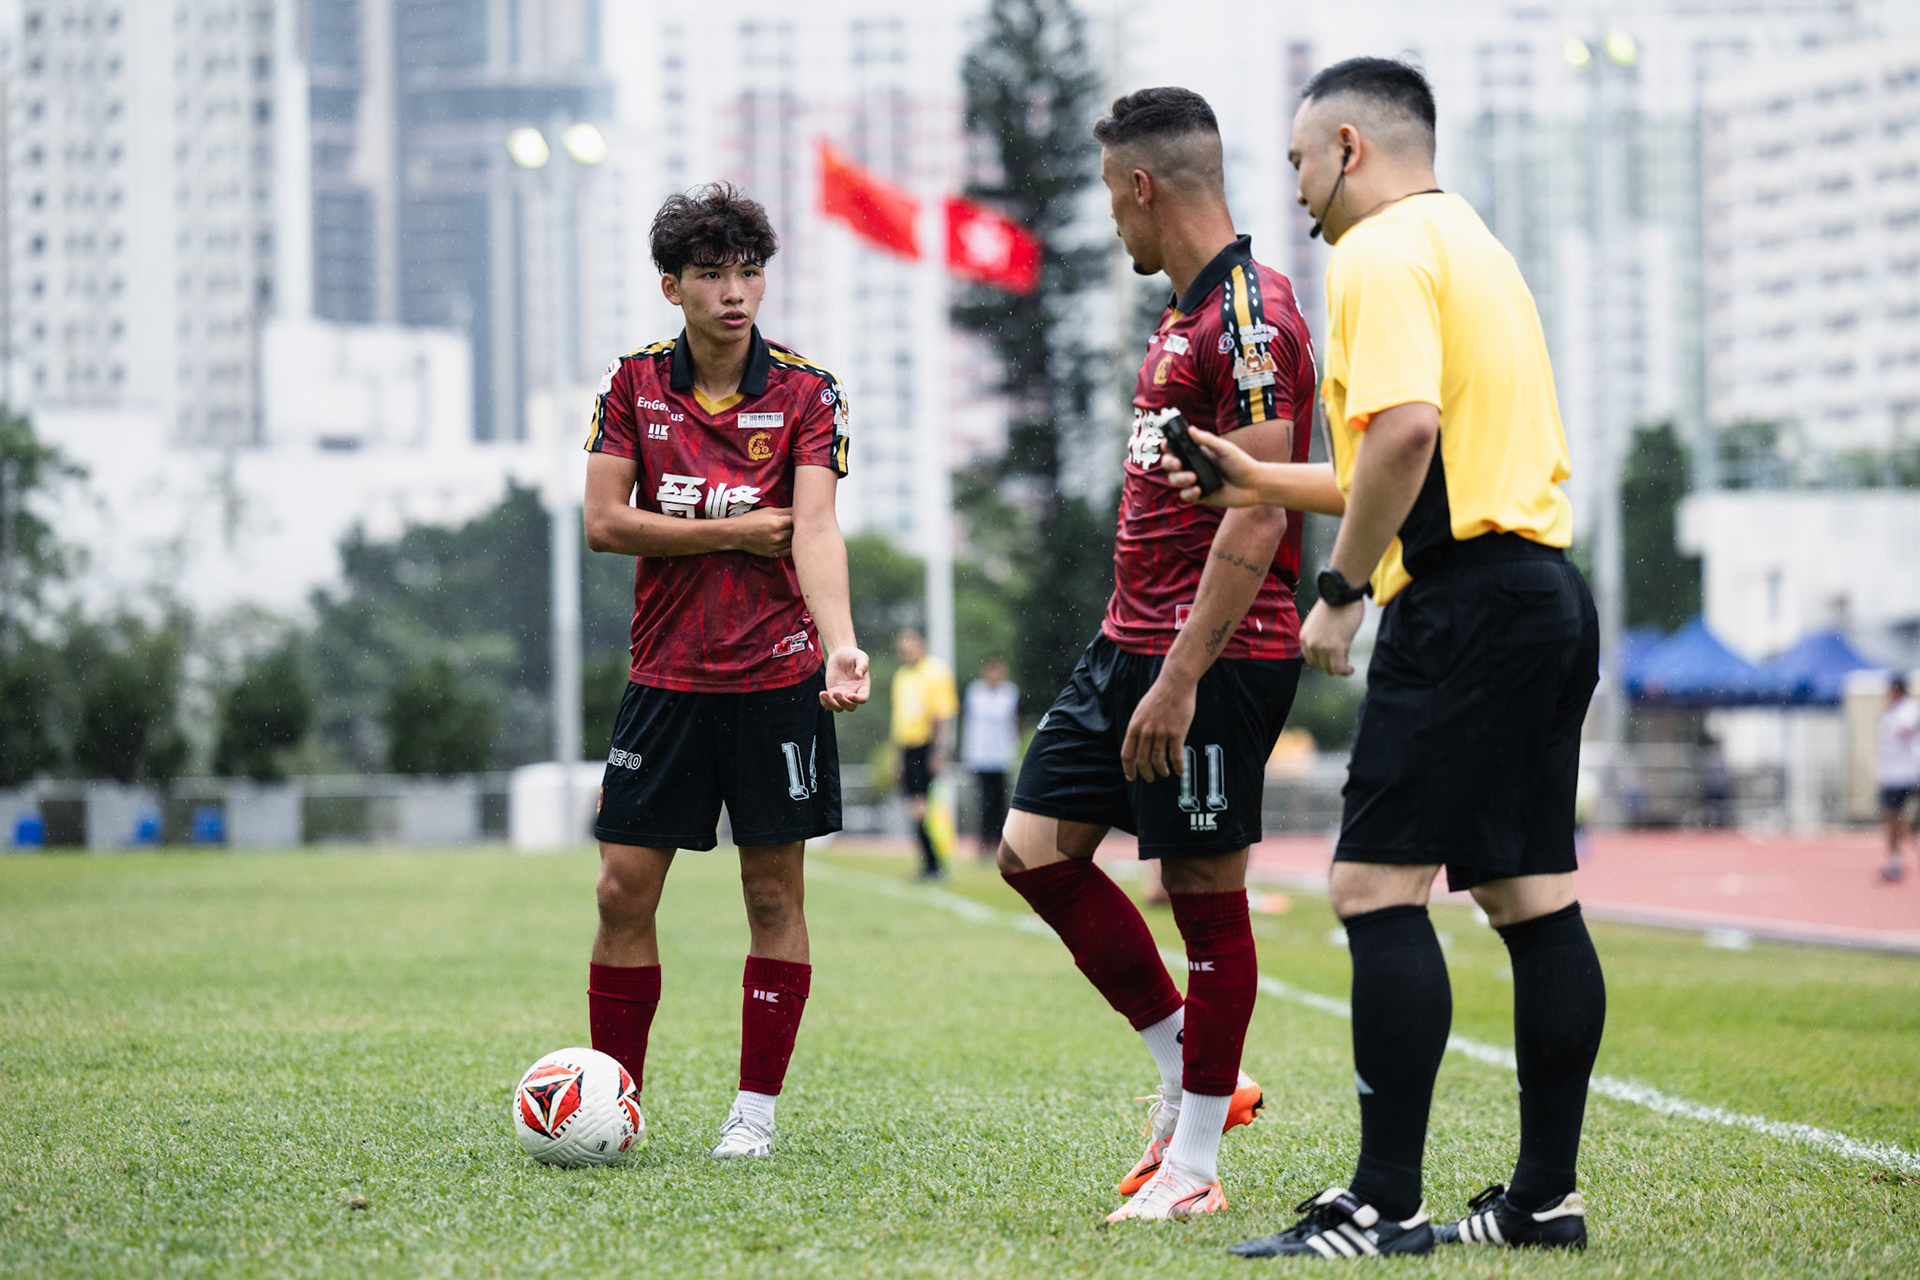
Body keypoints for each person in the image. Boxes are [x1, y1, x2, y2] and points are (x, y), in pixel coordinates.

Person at [1164, 58, 1605, 1259]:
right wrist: (1257, 477)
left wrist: (1343, 590)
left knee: (1372, 889)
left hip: (1459, 604)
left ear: (1348, 146)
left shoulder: (1372, 253)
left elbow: (1405, 436)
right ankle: (1542, 1199)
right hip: (1544, 595)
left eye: (1301, 162)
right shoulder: (1472, 245)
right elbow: (1394, 459)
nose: (1295, 192)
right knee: (1529, 894)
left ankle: (1384, 1201)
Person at [997, 86, 1313, 1224]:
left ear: (1141, 186)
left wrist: (1181, 673)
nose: (1111, 226)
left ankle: (1192, 1166)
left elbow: (1261, 512)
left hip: (1215, 656)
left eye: (1110, 199)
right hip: (1127, 640)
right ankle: (1194, 1068)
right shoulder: (1181, 312)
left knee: (1200, 889)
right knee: (1033, 851)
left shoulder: (1250, 318)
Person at [580, 183, 870, 1162]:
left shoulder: (806, 390)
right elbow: (604, 523)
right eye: (711, 274)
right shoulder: (632, 386)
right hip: (664, 678)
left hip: (777, 678)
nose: (735, 291)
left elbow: (817, 525)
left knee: (772, 895)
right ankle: (612, 1103)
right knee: (622, 887)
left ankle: (754, 1111)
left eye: (749, 271)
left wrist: (841, 639)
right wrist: (736, 527)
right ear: (673, 285)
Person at [891, 629, 959, 880]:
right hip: (908, 748)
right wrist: (898, 758)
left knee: (922, 807)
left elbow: (942, 715)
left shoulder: (936, 672)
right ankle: (930, 864)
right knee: (915, 808)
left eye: (908, 642)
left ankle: (935, 864)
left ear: (921, 644)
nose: (904, 648)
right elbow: (899, 720)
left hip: (926, 746)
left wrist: (938, 752)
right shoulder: (901, 676)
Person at [961, 657, 1020, 860]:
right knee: (984, 802)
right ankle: (984, 843)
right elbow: (969, 723)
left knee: (1001, 802)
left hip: (1002, 756)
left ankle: (1001, 842)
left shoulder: (1010, 693)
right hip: (981, 756)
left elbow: (1014, 723)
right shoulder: (975, 693)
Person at [1878, 675, 1919, 883]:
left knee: (1895, 817)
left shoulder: (1908, 709)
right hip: (1892, 774)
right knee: (1890, 817)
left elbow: (1908, 727)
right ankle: (1896, 858)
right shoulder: (1891, 712)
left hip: (1906, 773)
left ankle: (1897, 860)